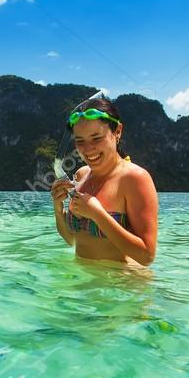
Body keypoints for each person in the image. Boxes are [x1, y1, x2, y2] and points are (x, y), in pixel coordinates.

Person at [51, 97, 158, 266]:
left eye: (96, 138)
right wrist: (58, 208)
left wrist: (98, 215)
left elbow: (147, 257)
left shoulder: (134, 179)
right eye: (80, 141)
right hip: (84, 285)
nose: (87, 149)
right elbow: (72, 239)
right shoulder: (81, 175)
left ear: (117, 132)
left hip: (123, 286)